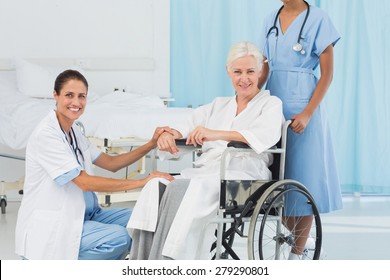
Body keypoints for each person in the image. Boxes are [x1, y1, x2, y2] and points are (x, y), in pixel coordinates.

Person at [127, 41, 284, 260]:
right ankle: (141, 259)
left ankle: (166, 262)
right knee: (156, 185)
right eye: (238, 71)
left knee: (180, 187)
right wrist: (169, 135)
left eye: (250, 71)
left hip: (245, 180)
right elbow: (187, 125)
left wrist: (215, 133)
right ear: (228, 71)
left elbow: (264, 136)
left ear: (259, 72)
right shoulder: (218, 105)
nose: (244, 78)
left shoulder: (270, 104)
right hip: (207, 172)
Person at [14, 69, 174, 260]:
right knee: (120, 237)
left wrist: (151, 144)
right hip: (55, 224)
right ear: (55, 95)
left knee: (144, 218)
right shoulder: (47, 135)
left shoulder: (74, 132)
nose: (76, 102)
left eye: (82, 96)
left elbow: (112, 163)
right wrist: (143, 182)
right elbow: (84, 182)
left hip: (87, 214)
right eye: (69, 95)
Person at [258, 0, 343, 260]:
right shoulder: (271, 18)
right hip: (273, 105)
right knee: (276, 179)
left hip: (303, 108)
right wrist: (246, 102)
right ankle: (301, 243)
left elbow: (327, 74)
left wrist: (307, 112)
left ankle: (296, 254)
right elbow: (264, 67)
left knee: (301, 180)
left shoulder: (318, 19)